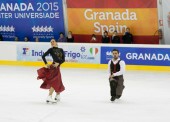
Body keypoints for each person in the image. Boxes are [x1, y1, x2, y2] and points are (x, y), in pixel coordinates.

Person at [37, 39, 65, 103]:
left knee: (58, 81)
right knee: (54, 82)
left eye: (53, 41)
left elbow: (63, 59)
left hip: (57, 67)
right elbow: (43, 56)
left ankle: (58, 95)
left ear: (56, 42)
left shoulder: (61, 50)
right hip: (53, 67)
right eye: (51, 42)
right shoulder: (51, 50)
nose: (52, 43)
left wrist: (59, 63)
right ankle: (49, 96)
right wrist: (46, 64)